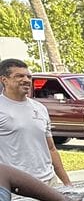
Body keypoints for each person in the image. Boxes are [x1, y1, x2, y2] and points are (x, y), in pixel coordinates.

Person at [0, 58, 72, 186]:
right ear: (4, 80)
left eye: (28, 76)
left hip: (49, 182)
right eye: (19, 76)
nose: (26, 80)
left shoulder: (40, 108)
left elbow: (51, 148)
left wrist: (67, 183)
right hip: (17, 187)